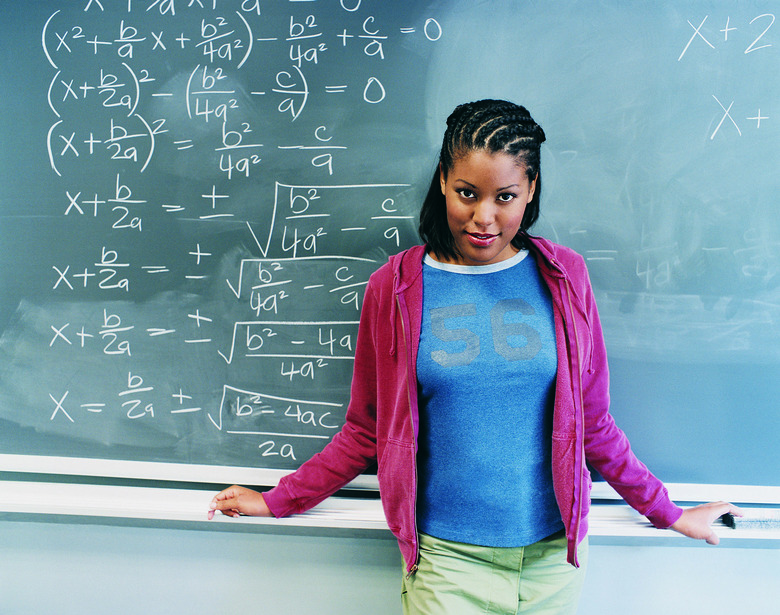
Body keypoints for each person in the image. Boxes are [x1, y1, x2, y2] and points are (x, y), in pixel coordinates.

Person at [209, 99, 741, 614]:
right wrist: (279, 499)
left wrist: (669, 514)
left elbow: (593, 424)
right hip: (446, 564)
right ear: (442, 179)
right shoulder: (394, 289)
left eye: (505, 197)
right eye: (466, 192)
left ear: (530, 190)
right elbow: (368, 431)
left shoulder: (564, 279)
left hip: (552, 562)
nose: (483, 217)